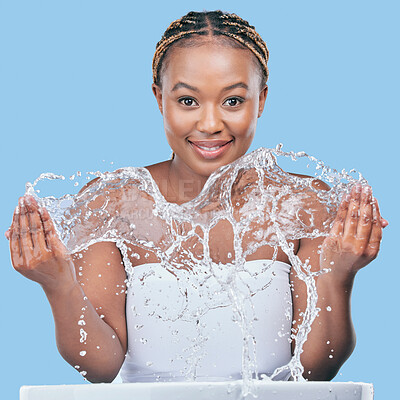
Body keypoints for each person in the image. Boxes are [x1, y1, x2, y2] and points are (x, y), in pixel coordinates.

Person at [6, 10, 388, 384]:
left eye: (233, 101)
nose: (209, 124)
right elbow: (100, 367)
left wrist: (338, 275)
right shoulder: (113, 205)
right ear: (160, 100)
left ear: (262, 100)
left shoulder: (303, 204)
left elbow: (316, 371)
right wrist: (59, 285)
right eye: (188, 101)